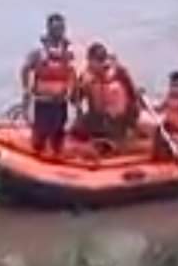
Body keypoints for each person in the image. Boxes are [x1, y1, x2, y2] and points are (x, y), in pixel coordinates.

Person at [19, 13, 75, 158]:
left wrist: (72, 91)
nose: (59, 31)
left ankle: (57, 156)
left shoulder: (68, 52)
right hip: (43, 102)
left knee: (58, 134)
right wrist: (26, 89)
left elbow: (71, 72)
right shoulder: (38, 52)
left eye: (61, 27)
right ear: (49, 28)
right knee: (40, 137)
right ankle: (36, 156)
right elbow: (25, 69)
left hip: (61, 102)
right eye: (55, 27)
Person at [72, 42, 138, 146]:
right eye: (91, 61)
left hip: (118, 119)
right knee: (77, 130)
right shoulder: (86, 76)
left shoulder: (119, 72)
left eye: (99, 60)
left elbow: (134, 96)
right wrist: (79, 87)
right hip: (97, 118)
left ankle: (122, 136)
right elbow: (74, 99)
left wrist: (132, 121)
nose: (91, 65)